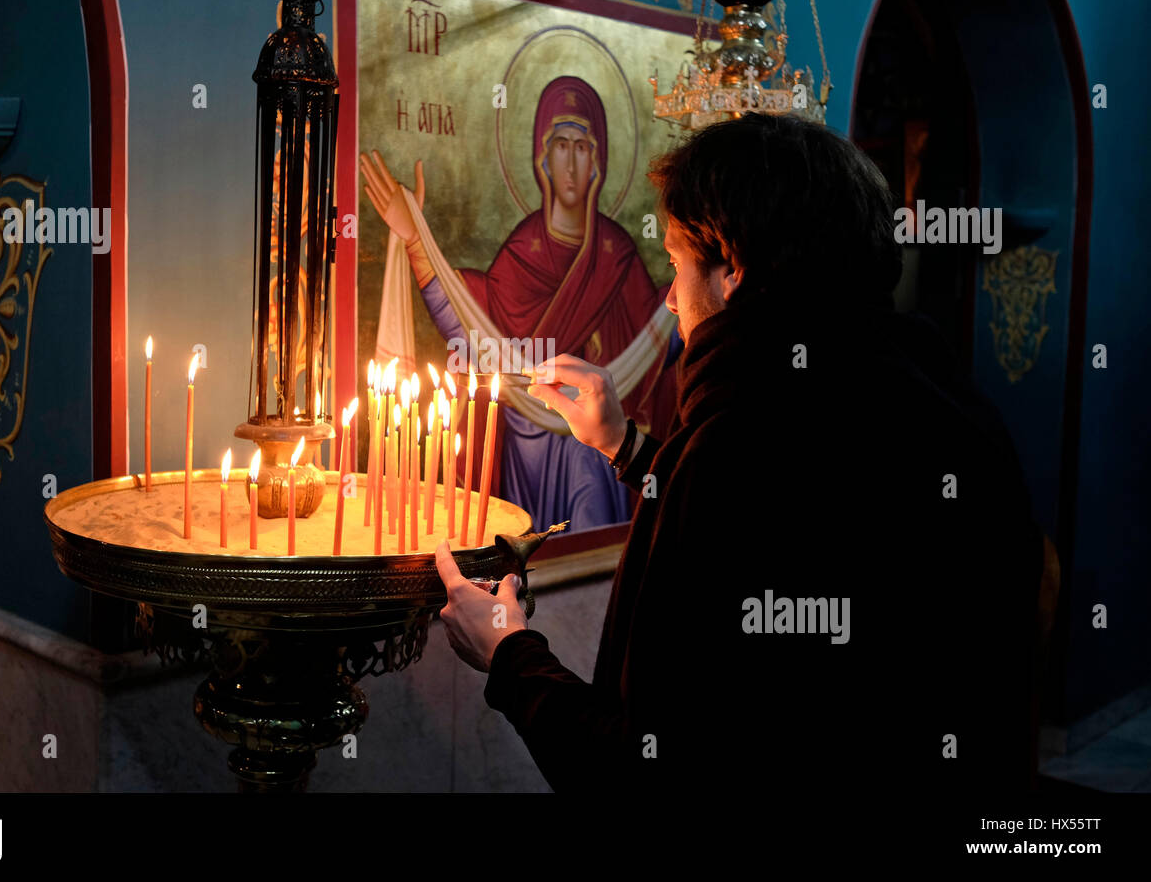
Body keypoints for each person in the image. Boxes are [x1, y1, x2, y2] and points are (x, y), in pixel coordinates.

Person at [433, 112, 1048, 794]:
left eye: (675, 262)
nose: (669, 296)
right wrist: (626, 444)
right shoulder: (950, 403)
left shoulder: (735, 446)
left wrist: (510, 655)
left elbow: (648, 771)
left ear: (732, 268)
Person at [360, 76, 679, 533]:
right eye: (560, 145)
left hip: (595, 447)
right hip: (524, 445)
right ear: (542, 159)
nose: (571, 162)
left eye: (583, 147)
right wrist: (416, 240)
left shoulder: (617, 252)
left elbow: (653, 339)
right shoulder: (521, 249)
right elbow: (474, 326)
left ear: (598, 162)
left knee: (589, 535)